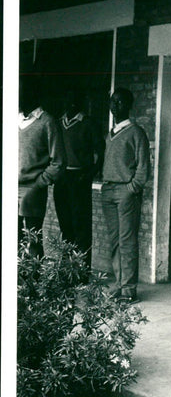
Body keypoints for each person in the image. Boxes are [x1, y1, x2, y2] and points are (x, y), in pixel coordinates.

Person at [100, 88, 150, 303]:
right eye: (113, 102)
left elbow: (143, 168)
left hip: (125, 192)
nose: (115, 106)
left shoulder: (136, 132)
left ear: (129, 106)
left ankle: (129, 290)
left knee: (127, 241)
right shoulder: (110, 133)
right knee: (115, 241)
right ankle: (120, 284)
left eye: (120, 102)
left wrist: (132, 189)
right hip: (108, 190)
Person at [53, 88, 104, 268]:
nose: (71, 103)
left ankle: (81, 271)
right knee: (65, 224)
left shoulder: (89, 124)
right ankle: (68, 269)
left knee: (81, 226)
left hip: (79, 177)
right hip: (62, 178)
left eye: (75, 100)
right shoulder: (58, 123)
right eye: (68, 99)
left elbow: (101, 153)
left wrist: (89, 174)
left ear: (81, 103)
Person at [18, 74, 66, 259]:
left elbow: (59, 162)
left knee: (32, 240)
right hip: (11, 188)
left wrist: (40, 183)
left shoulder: (47, 122)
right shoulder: (15, 120)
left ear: (31, 93)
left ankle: (34, 283)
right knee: (12, 241)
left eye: (20, 91)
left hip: (32, 189)